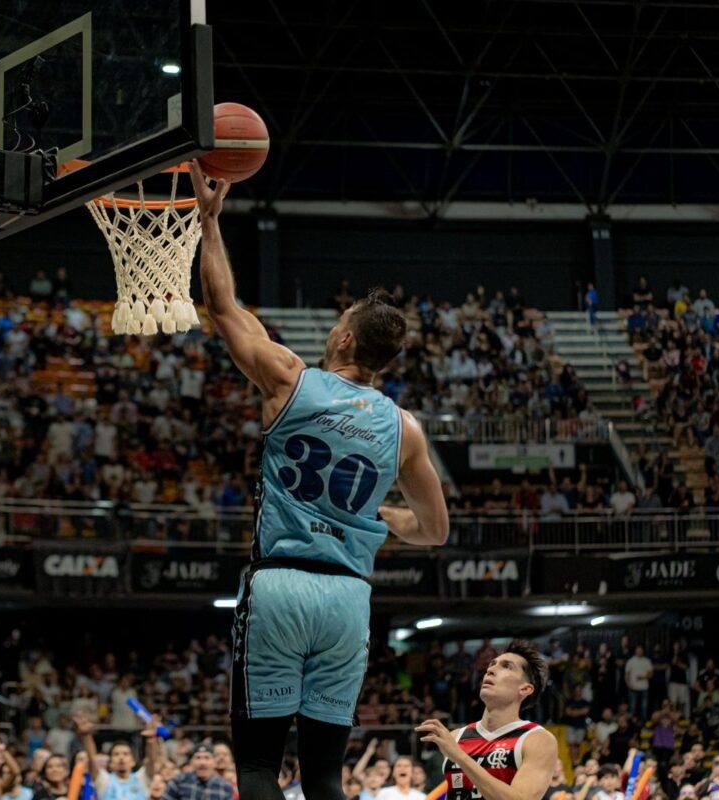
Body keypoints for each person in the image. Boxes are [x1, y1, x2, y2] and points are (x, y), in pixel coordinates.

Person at [188, 163, 449, 800]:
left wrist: (211, 220)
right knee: (325, 775)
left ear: (343, 335)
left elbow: (224, 308)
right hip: (348, 601)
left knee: (256, 767)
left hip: (281, 582)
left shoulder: (290, 378)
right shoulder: (406, 429)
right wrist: (383, 519)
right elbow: (436, 532)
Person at [415, 641, 555, 800]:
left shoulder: (536, 739)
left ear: (525, 688)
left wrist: (460, 757)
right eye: (492, 664)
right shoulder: (456, 737)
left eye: (506, 666)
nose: (491, 670)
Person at [76, 712, 160, 800]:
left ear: (133, 761)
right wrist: (86, 736)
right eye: (116, 754)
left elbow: (151, 760)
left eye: (126, 754)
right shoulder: (104, 781)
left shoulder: (142, 779)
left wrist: (151, 739)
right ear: (110, 763)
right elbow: (91, 759)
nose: (121, 757)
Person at [162, 745, 233, 800]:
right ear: (191, 762)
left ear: (214, 762)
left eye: (207, 758)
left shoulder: (224, 786)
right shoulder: (178, 782)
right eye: (198, 757)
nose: (202, 762)